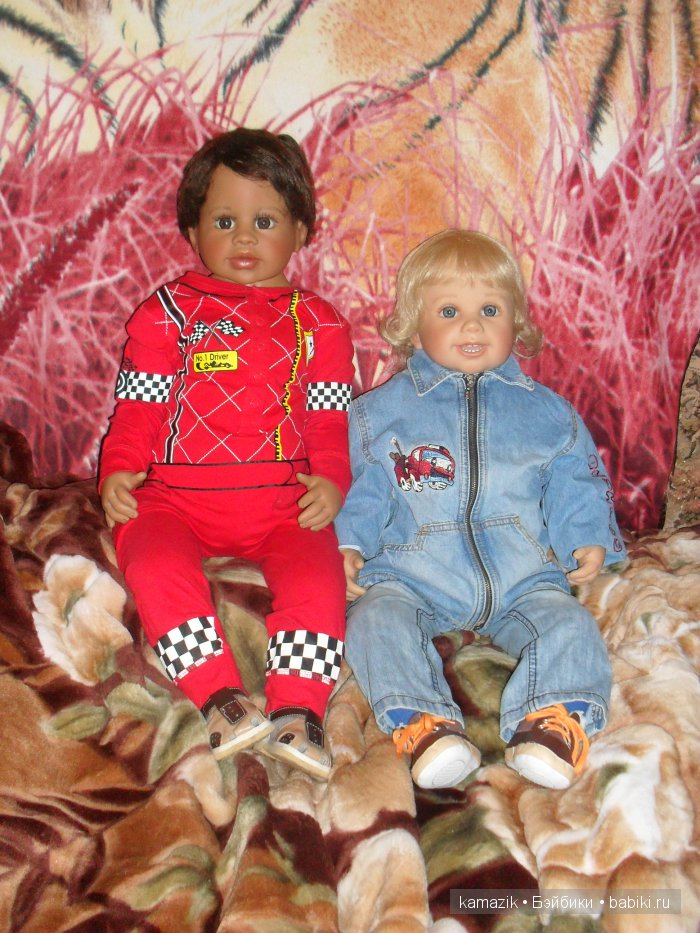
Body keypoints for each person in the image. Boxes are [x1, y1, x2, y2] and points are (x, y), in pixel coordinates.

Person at [99, 128, 355, 781]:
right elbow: (138, 407)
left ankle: (299, 710)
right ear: (192, 231)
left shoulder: (321, 325)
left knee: (319, 578)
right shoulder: (167, 313)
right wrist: (118, 471)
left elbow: (328, 418)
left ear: (301, 232)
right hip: (173, 501)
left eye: (264, 221)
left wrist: (331, 479)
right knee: (152, 561)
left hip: (283, 505)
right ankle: (219, 697)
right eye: (223, 221)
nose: (244, 238)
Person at [335, 229, 625, 791]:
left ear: (516, 321)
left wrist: (585, 535)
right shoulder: (380, 414)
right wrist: (350, 543)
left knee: (570, 625)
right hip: (414, 574)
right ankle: (424, 724)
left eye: (490, 310)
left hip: (523, 577)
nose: (472, 326)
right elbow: (365, 490)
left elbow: (576, 481)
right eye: (450, 311)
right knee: (373, 620)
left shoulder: (548, 413)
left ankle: (552, 720)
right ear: (414, 326)